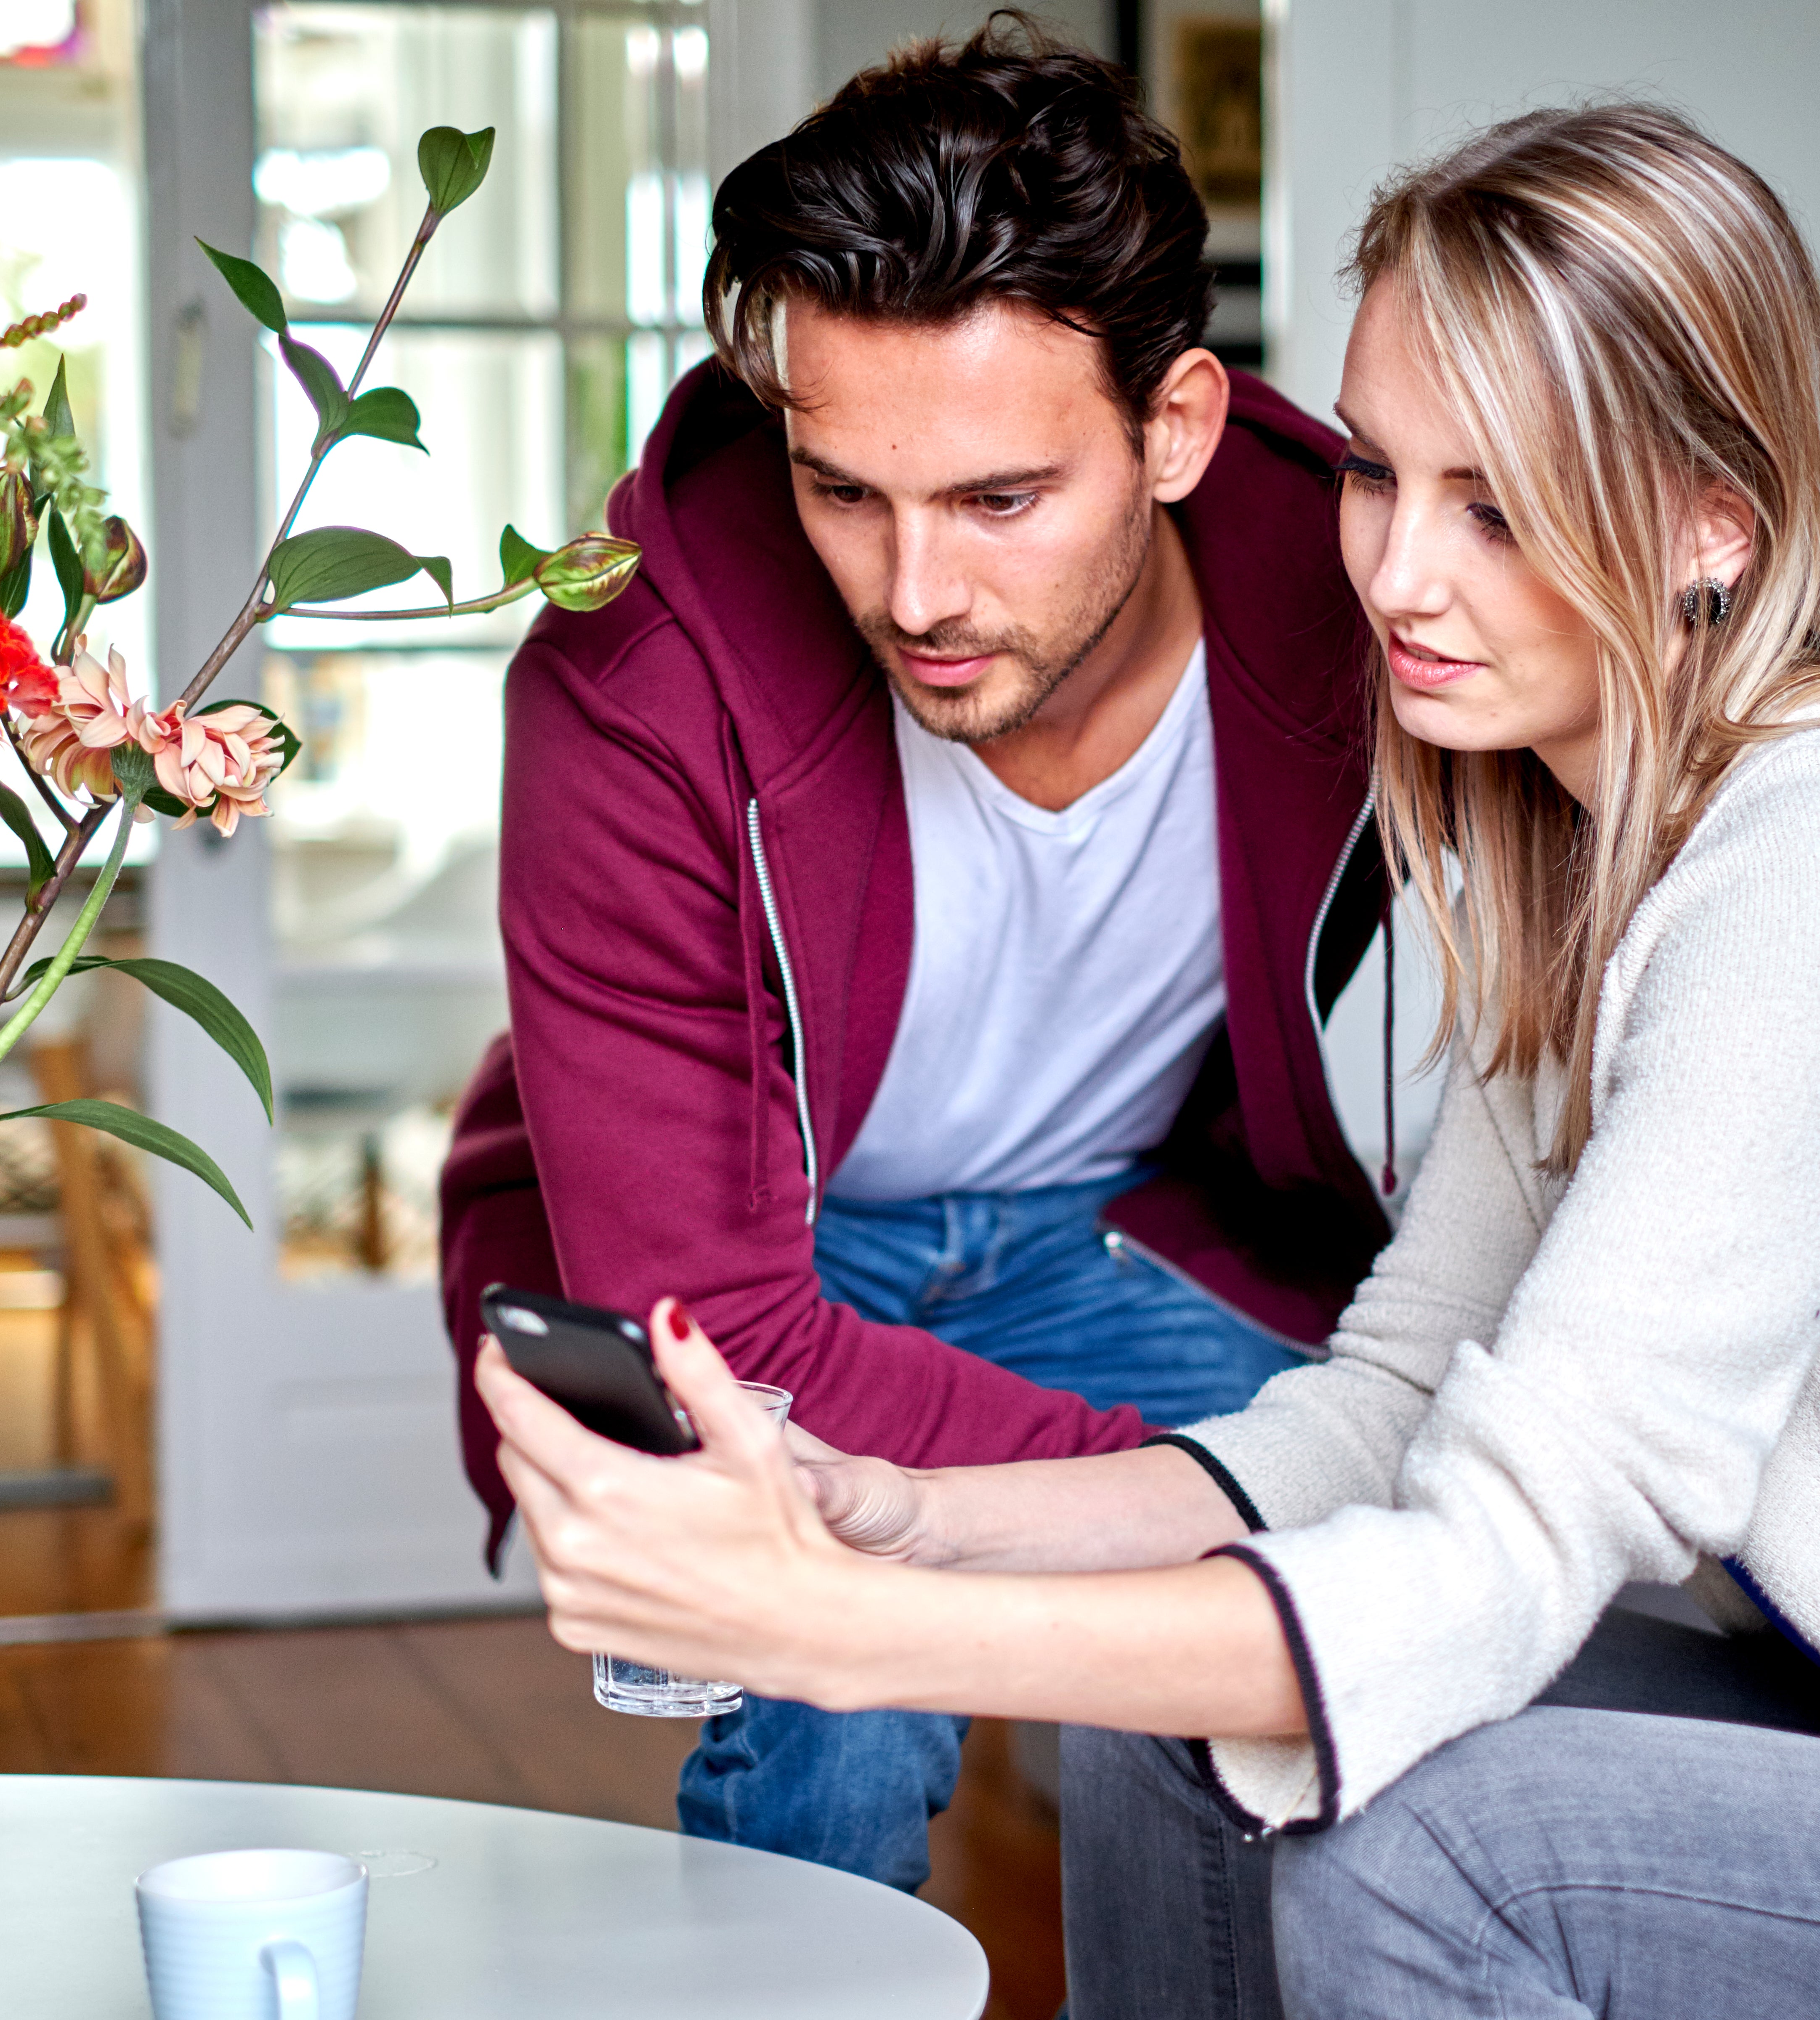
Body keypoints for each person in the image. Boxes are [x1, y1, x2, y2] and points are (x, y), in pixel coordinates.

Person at [470, 102, 1820, 2020]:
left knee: (1442, 1849)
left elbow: (1510, 1546)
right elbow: (1391, 1409)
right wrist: (895, 1517)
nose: (1394, 578)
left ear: (1711, 529)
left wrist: (843, 1630)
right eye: (1374, 473)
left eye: (1501, 508)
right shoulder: (1573, 850)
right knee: (1191, 1738)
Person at [436, 19, 1397, 1891]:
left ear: (1176, 429)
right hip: (756, 1273)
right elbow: (726, 1330)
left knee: (1369, 1628)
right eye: (842, 492)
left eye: (1001, 501)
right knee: (834, 1698)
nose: (916, 595)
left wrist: (1241, 1509)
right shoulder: (631, 690)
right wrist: (1203, 1501)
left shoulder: (1372, 596)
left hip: (1133, 1226)